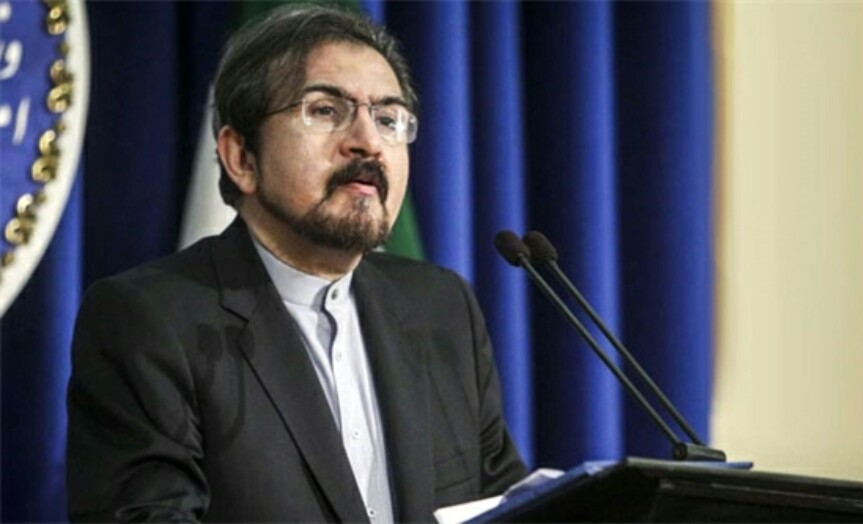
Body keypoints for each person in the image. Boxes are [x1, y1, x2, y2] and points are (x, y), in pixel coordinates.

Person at [66, 5, 526, 522]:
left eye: (388, 119)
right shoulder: (150, 323)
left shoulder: (442, 308)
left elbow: (506, 505)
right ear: (241, 158)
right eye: (325, 110)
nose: (369, 142)